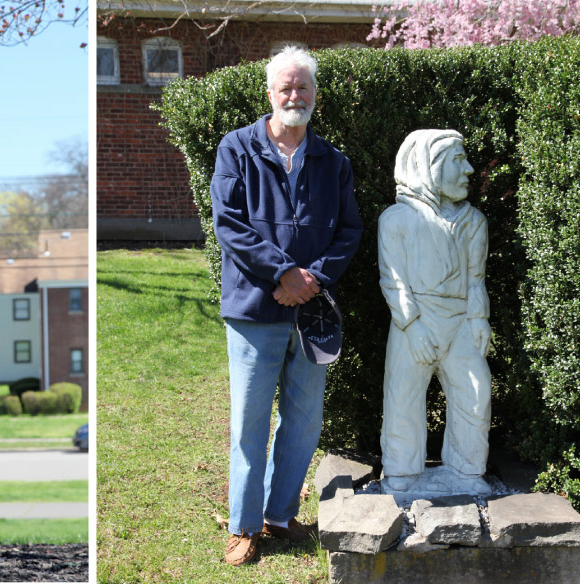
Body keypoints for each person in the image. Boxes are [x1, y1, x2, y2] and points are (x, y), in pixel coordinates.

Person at [210, 46, 363, 566]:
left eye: (302, 87)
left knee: (302, 421)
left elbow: (349, 230)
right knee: (250, 422)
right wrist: (283, 273)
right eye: (285, 88)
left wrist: (312, 278)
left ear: (314, 95)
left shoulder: (333, 161)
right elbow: (229, 223)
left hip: (312, 310)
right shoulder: (237, 149)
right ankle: (243, 526)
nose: (294, 96)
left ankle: (278, 517)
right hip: (254, 308)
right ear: (270, 94)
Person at [378, 129, 492, 494]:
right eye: (458, 160)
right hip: (415, 323)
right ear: (429, 167)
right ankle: (402, 473)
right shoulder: (396, 219)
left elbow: (476, 279)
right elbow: (393, 279)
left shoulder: (473, 222)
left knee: (476, 392)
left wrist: (479, 319)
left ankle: (467, 470)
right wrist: (411, 325)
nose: (470, 169)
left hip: (461, 324)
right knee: (403, 397)